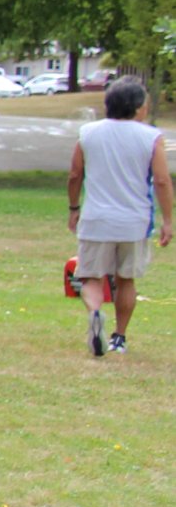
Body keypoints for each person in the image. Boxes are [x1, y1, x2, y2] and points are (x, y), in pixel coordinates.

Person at [68, 76, 174, 356]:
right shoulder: (151, 137)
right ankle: (119, 337)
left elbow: (76, 173)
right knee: (125, 279)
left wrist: (73, 208)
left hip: (96, 219)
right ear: (137, 107)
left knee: (90, 277)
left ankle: (94, 314)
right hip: (134, 222)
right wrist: (168, 220)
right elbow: (162, 181)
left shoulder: (88, 133)